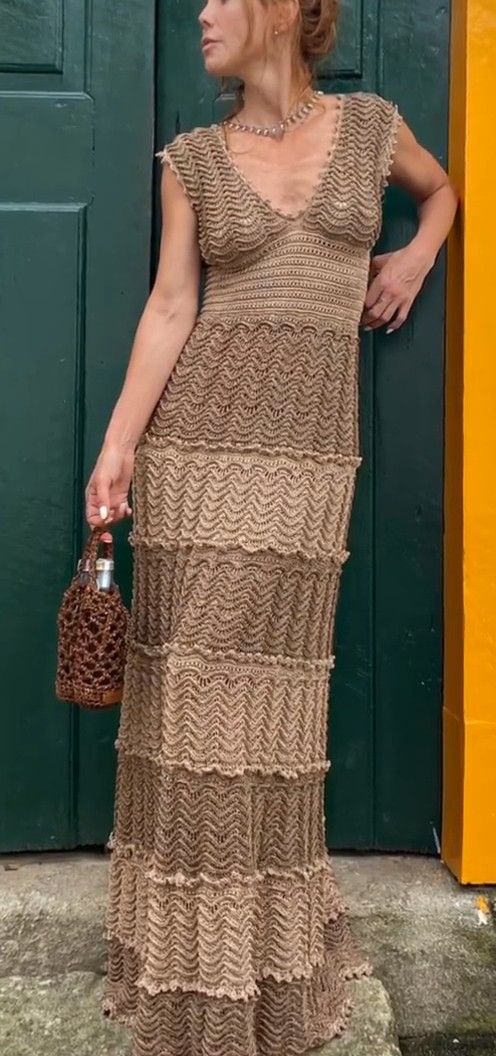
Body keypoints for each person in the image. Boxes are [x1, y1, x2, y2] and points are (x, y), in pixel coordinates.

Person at [87, 1, 459, 1053]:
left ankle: (262, 956)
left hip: (307, 468)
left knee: (272, 718)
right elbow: (171, 308)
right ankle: (189, 970)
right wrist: (118, 449)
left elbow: (443, 196)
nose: (201, 13)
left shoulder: (374, 128)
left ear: (292, 10)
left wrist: (412, 257)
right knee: (192, 701)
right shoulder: (192, 160)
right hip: (199, 454)